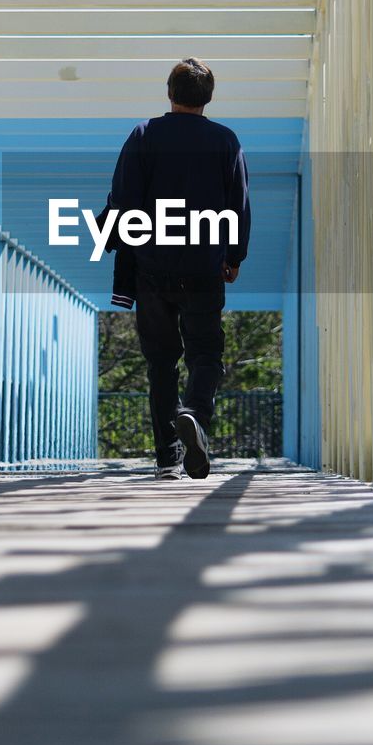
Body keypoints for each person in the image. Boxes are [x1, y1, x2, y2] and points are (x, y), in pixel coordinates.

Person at [104, 58, 251, 481]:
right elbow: (237, 203)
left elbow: (124, 198)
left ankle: (167, 457)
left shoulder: (144, 135)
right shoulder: (226, 141)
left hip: (152, 266)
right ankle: (195, 416)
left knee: (161, 361)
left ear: (170, 93)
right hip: (204, 265)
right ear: (208, 97)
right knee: (206, 353)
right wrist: (234, 256)